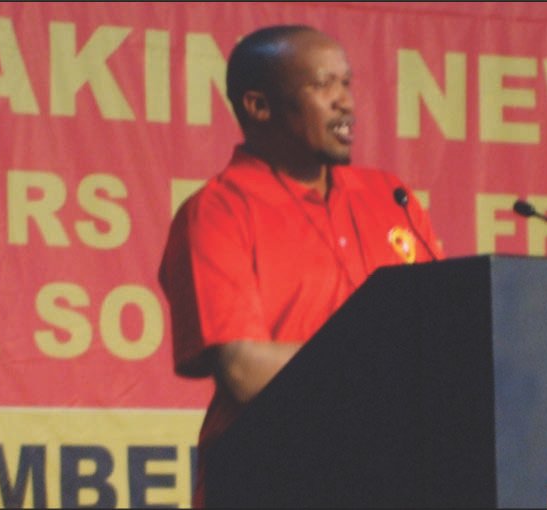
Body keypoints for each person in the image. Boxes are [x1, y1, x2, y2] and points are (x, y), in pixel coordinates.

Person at [158, 24, 445, 507]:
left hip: (394, 473)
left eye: (347, 82)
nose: (345, 102)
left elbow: (440, 334)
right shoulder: (218, 211)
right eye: (322, 85)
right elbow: (244, 369)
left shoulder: (389, 197)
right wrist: (382, 363)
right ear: (259, 106)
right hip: (274, 476)